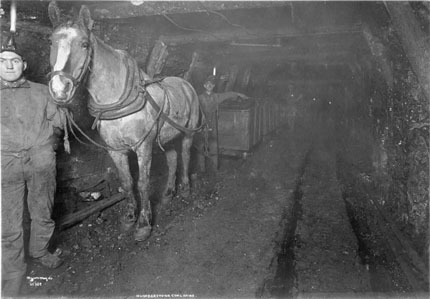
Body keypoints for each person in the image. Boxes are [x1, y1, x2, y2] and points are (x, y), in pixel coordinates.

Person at [1, 35, 66, 296]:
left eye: (14, 60)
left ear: (24, 64)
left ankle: (40, 251)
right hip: (4, 162)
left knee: (43, 210)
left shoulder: (41, 91)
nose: (9, 66)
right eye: (3, 61)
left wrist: (49, 146)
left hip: (40, 160)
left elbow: (58, 122)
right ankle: (13, 271)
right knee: (8, 221)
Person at [195, 75, 249, 173]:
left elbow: (228, 94)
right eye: (207, 84)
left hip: (213, 126)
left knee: (214, 147)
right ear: (204, 85)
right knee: (200, 149)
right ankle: (201, 171)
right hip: (201, 125)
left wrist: (239, 94)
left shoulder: (217, 97)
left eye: (211, 84)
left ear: (214, 86)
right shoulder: (199, 98)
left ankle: (215, 170)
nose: (209, 85)